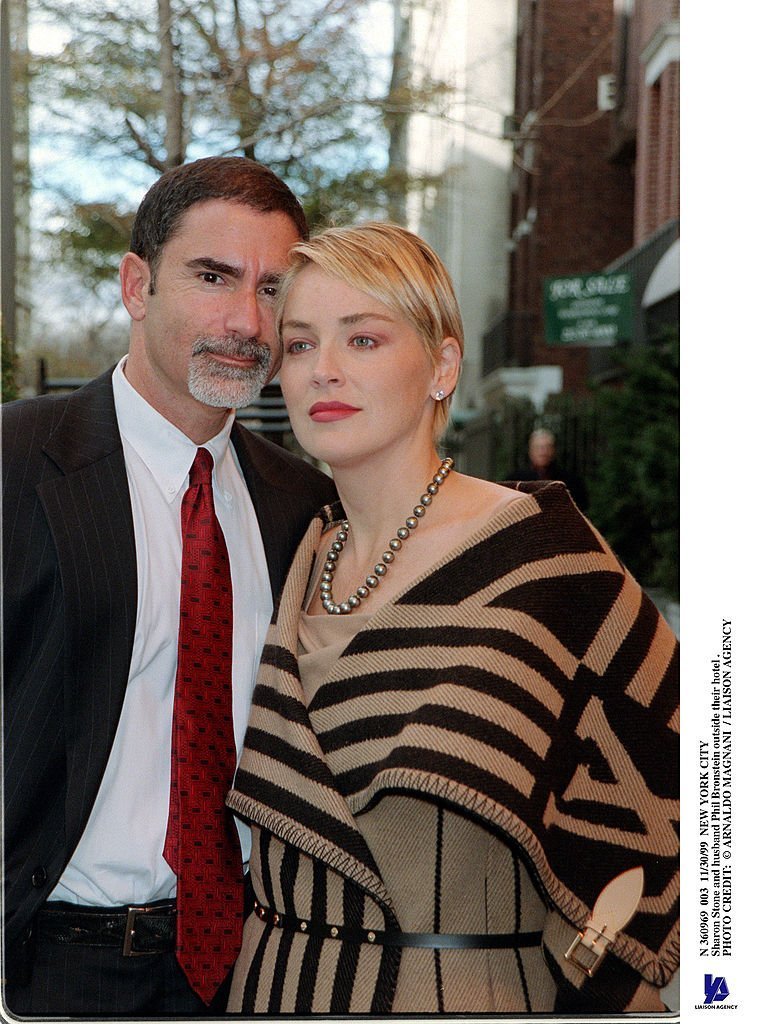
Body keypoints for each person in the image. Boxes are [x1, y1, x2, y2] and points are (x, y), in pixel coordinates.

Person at [225, 222, 680, 1015]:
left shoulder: (540, 554)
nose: (322, 370)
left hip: (458, 995)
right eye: (298, 346)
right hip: (273, 989)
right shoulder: (298, 554)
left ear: (442, 366)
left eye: (363, 339)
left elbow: (688, 771)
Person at [2, 156, 337, 1017]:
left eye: (272, 289)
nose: (244, 320)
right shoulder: (13, 465)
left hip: (251, 964)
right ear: (136, 285)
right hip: (50, 966)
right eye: (213, 277)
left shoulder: (303, 502)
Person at [512, 427, 588, 509]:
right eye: (538, 447)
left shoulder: (571, 481)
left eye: (547, 447)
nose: (543, 452)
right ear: (530, 451)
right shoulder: (515, 480)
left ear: (554, 450)